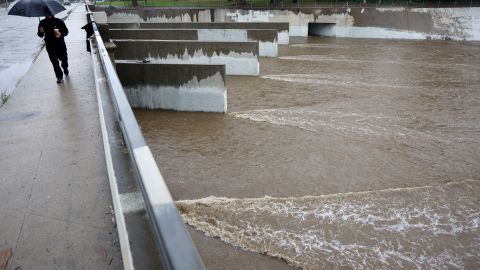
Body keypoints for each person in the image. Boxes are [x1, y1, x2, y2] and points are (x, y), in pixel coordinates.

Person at [37, 12, 69, 84]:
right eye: (46, 12)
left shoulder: (59, 21)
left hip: (60, 45)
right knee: (54, 62)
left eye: (49, 12)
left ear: (52, 13)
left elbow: (66, 31)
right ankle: (59, 77)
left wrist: (61, 34)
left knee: (64, 60)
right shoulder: (42, 23)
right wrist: (40, 31)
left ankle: (65, 68)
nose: (48, 14)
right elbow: (40, 35)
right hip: (50, 46)